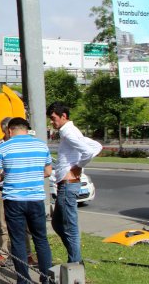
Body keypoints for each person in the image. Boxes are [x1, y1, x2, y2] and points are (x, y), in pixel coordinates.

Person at [0, 117, 53, 284]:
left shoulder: (4, 147)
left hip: (13, 200)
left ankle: (23, 280)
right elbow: (48, 172)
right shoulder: (41, 145)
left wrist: (7, 175)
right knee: (41, 239)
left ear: (10, 131)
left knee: (17, 240)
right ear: (26, 129)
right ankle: (46, 278)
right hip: (36, 199)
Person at [47, 101, 102, 264]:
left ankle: (75, 264)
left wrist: (78, 166)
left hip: (68, 185)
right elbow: (97, 146)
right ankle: (75, 257)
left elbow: (88, 151)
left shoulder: (68, 132)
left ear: (63, 116)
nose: (51, 121)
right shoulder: (70, 131)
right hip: (66, 185)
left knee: (70, 227)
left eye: (53, 118)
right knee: (57, 224)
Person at [0, 117, 35, 267]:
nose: (12, 133)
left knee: (23, 225)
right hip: (2, 190)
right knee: (2, 224)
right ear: (5, 130)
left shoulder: (23, 145)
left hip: (20, 190)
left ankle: (27, 255)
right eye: (9, 130)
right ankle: (2, 254)